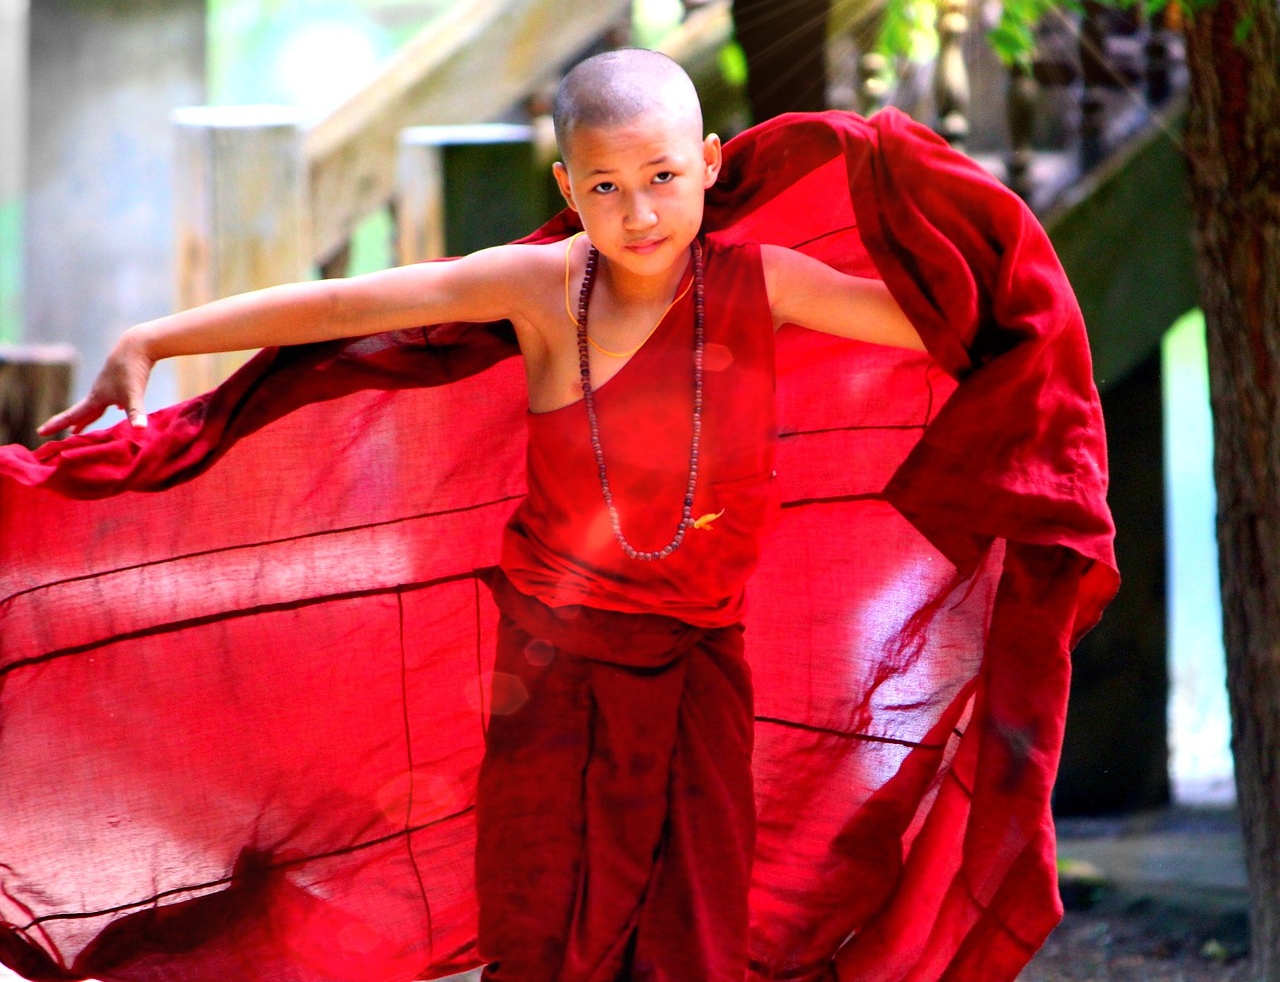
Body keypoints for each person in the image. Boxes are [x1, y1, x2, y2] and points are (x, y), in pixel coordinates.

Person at [1, 50, 1117, 982]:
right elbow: (346, 303)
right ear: (566, 181)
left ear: (712, 166)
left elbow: (959, 327)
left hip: (697, 671)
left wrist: (940, 205)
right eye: (603, 186)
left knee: (691, 929)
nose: (636, 213)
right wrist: (152, 339)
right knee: (547, 923)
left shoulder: (759, 280)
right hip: (553, 675)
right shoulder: (545, 288)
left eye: (663, 178)